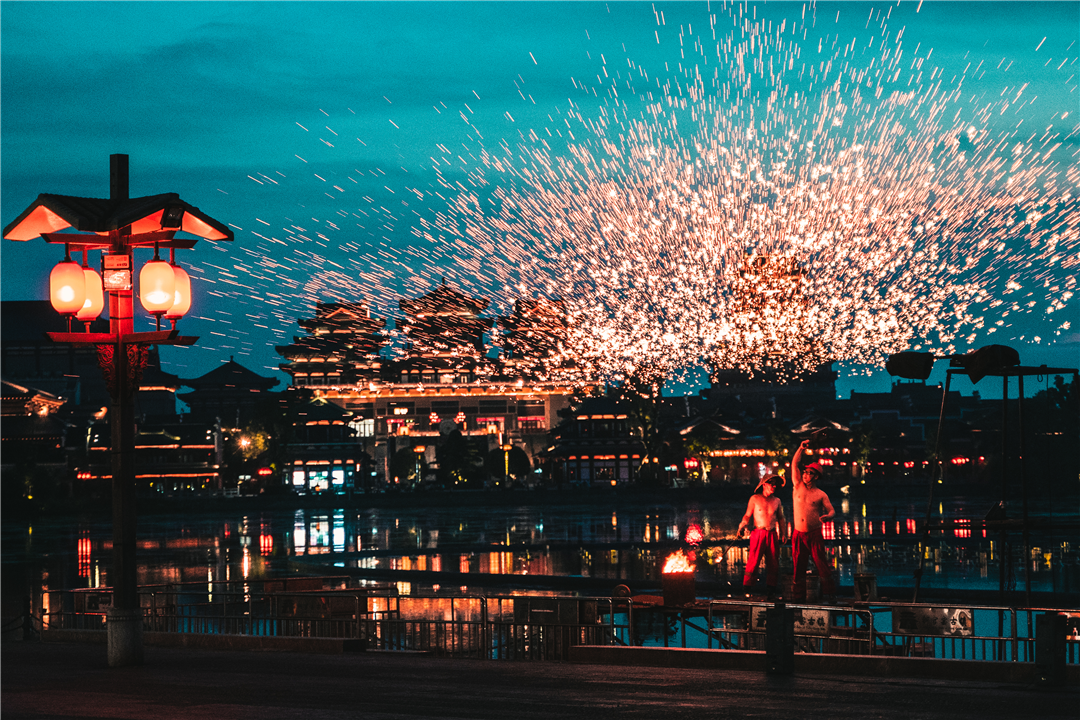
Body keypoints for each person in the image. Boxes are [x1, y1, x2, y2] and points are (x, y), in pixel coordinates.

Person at [790, 439, 836, 602]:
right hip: (798, 533)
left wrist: (828, 516)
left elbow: (832, 510)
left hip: (815, 533)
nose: (805, 475)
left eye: (809, 473)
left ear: (816, 476)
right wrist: (801, 448)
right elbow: (794, 464)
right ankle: (798, 596)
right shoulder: (797, 486)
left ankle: (829, 595)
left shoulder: (821, 494)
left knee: (821, 563)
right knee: (798, 566)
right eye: (805, 472)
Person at [737, 474, 787, 599]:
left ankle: (771, 590)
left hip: (772, 533)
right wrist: (741, 527)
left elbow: (781, 518)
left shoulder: (777, 501)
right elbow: (747, 515)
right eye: (771, 483)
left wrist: (784, 533)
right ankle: (747, 589)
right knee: (753, 561)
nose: (774, 486)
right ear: (764, 484)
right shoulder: (754, 499)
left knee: (773, 562)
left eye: (775, 484)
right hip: (758, 533)